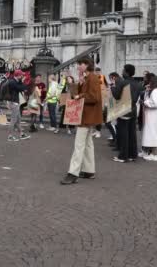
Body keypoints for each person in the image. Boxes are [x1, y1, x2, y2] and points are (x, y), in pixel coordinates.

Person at [61, 57, 103, 185]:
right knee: (88, 144)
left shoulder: (93, 78)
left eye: (80, 64)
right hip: (86, 116)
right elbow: (76, 94)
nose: (78, 66)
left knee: (79, 145)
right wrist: (75, 84)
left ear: (87, 65)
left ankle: (73, 173)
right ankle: (89, 170)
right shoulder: (87, 78)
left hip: (86, 116)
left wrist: (80, 95)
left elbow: (94, 97)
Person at [112, 65, 143, 163]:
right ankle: (132, 155)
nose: (122, 72)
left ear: (127, 72)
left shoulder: (123, 83)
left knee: (123, 134)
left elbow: (117, 96)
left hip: (123, 109)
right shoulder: (138, 84)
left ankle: (123, 156)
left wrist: (113, 87)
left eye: (123, 70)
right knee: (132, 133)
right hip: (133, 110)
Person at [139, 76, 157, 162]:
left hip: (154, 117)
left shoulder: (156, 91)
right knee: (150, 135)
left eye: (150, 82)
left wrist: (144, 102)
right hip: (153, 117)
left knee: (153, 135)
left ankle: (154, 154)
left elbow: (155, 103)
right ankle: (147, 152)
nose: (149, 83)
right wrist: (147, 92)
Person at [3, 70, 30, 142]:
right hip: (14, 103)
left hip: (15, 102)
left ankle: (21, 134)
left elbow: (23, 88)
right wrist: (23, 81)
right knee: (13, 120)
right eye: (21, 75)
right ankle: (10, 136)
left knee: (18, 120)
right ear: (18, 75)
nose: (22, 76)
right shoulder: (13, 82)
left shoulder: (15, 81)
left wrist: (21, 82)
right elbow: (22, 88)